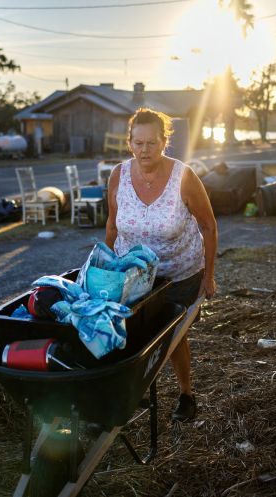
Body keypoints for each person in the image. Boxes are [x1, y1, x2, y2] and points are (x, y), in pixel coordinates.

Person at [105, 107, 217, 422]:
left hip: (178, 274)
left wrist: (209, 276)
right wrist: (107, 268)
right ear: (130, 142)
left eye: (151, 143)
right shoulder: (118, 175)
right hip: (133, 275)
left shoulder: (184, 176)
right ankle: (132, 393)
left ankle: (186, 394)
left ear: (164, 141)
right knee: (132, 334)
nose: (144, 150)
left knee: (173, 335)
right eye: (138, 143)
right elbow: (113, 225)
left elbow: (208, 225)